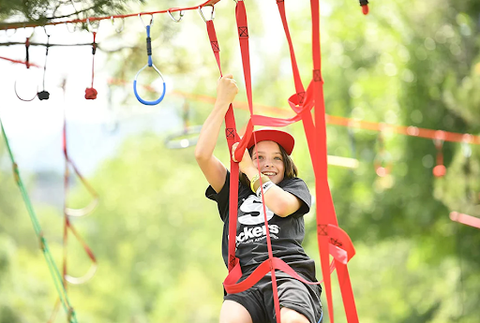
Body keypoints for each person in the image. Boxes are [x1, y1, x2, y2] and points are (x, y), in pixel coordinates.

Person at [195, 75, 322, 323]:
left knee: (293, 320)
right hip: (246, 281)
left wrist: (251, 171)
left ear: (286, 164)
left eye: (276, 158)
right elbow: (202, 155)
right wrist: (222, 102)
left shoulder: (293, 187)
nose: (269, 164)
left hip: (288, 274)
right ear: (247, 161)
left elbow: (282, 206)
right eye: (259, 157)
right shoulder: (233, 191)